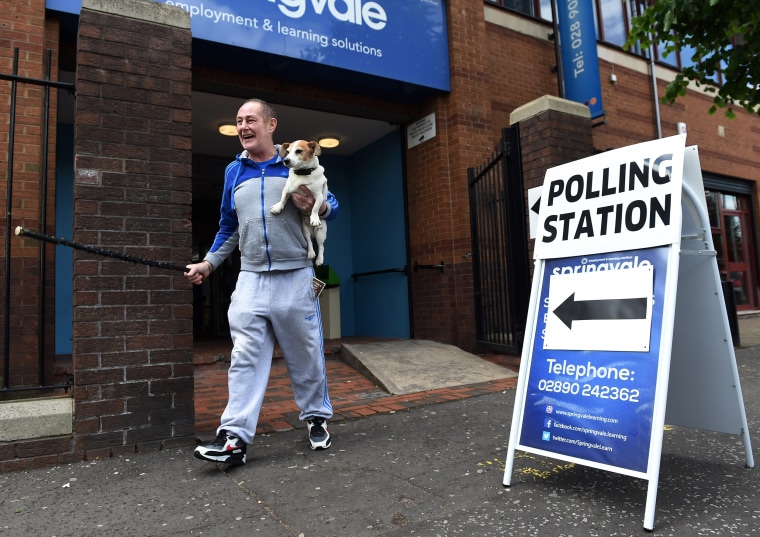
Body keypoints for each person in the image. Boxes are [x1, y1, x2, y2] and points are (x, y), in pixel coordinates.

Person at [185, 98, 338, 465]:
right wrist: (209, 263)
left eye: (250, 119)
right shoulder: (233, 172)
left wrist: (315, 207)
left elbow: (332, 204)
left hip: (295, 275)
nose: (242, 127)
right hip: (251, 278)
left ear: (271, 125)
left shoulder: (298, 164)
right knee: (245, 357)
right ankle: (233, 437)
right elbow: (228, 227)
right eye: (238, 121)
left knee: (305, 355)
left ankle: (316, 417)